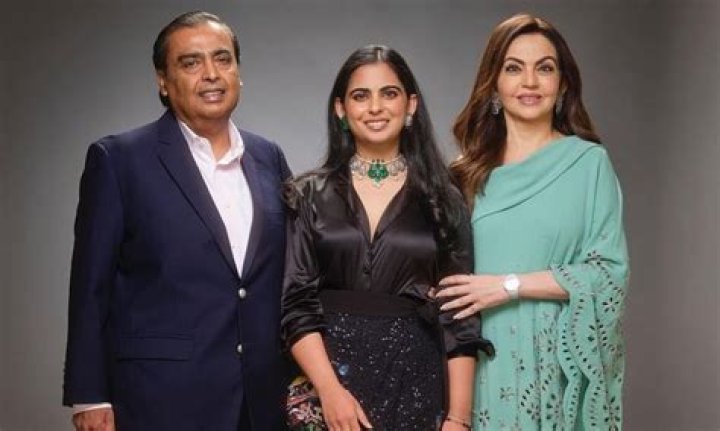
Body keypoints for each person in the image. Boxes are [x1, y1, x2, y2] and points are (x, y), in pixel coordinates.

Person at [62, 11, 290, 431]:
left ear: (238, 73)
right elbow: (91, 287)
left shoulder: (268, 158)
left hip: (261, 400)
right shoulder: (119, 160)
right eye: (190, 62)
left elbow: (293, 274)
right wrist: (89, 395)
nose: (211, 74)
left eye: (223, 59)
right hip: (160, 399)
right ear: (163, 82)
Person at [281, 44, 493, 431]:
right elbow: (296, 305)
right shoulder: (306, 193)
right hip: (327, 385)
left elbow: (460, 316)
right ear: (341, 109)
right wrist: (329, 391)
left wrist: (458, 419)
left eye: (389, 93)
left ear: (410, 105)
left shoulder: (445, 198)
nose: (375, 107)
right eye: (361, 96)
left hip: (415, 384)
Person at [436, 13, 630, 430]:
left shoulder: (588, 164)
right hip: (479, 367)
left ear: (562, 84)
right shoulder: (463, 176)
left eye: (544, 68)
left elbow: (608, 275)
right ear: (493, 84)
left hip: (554, 369)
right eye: (513, 68)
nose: (529, 82)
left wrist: (508, 286)